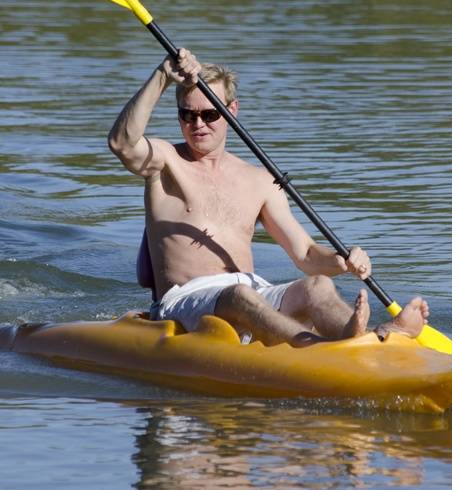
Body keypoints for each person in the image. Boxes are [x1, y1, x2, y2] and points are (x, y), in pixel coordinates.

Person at [108, 49, 429, 346]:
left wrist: (342, 261)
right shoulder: (163, 160)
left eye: (209, 114)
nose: (198, 124)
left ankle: (373, 339)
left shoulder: (260, 180)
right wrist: (163, 74)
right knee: (240, 296)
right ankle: (322, 350)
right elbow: (122, 143)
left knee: (317, 286)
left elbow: (304, 254)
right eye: (187, 115)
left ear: (231, 111)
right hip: (185, 300)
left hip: (251, 291)